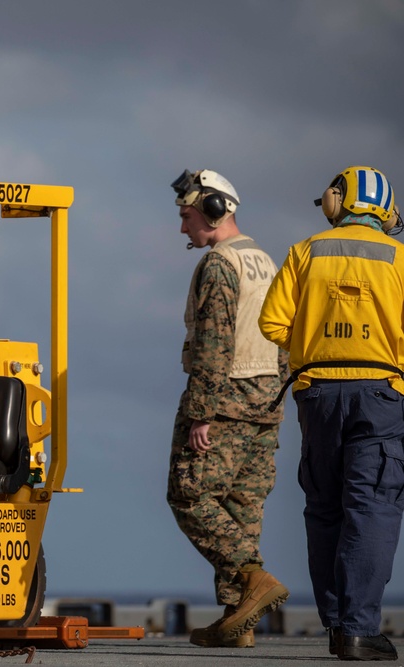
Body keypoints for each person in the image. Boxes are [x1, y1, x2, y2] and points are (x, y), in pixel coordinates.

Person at [259, 165, 404, 662]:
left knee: (324, 508)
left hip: (317, 394)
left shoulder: (306, 252)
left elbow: (272, 323)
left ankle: (337, 625)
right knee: (373, 505)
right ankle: (358, 629)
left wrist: (316, 343)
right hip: (379, 394)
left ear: (340, 199)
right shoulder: (399, 259)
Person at [166, 169, 289, 648]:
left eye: (187, 215)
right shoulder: (264, 259)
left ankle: (253, 578)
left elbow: (215, 342)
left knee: (189, 495)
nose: (183, 228)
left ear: (215, 210)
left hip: (225, 402)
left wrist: (201, 412)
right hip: (267, 404)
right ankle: (239, 622)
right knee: (242, 506)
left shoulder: (220, 264)